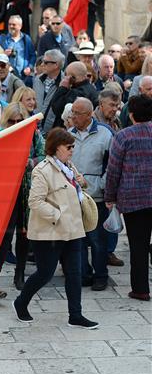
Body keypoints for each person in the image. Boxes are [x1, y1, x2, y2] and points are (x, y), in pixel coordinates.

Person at [14, 128, 99, 329]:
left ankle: (75, 315)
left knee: (74, 273)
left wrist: (82, 182)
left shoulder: (69, 166)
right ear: (56, 147)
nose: (72, 150)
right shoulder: (42, 170)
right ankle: (21, 302)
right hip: (49, 232)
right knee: (45, 273)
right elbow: (34, 201)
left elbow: (79, 189)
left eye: (73, 147)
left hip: (73, 230)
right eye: (69, 147)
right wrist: (58, 215)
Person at [104, 95, 152, 301]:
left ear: (131, 114)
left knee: (138, 246)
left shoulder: (123, 137)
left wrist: (110, 196)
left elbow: (113, 170)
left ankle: (140, 289)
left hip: (134, 200)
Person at [67, 97, 113, 291]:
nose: (73, 117)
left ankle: (101, 275)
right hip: (74, 197)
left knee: (97, 240)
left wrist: (101, 185)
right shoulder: (68, 135)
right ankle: (84, 274)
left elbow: (111, 164)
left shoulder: (105, 134)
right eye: (72, 113)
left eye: (76, 114)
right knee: (78, 240)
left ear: (88, 115)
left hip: (96, 197)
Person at [50, 62, 99, 128]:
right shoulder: (91, 88)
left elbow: (57, 108)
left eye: (66, 75)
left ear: (71, 77)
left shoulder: (77, 93)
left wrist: (62, 88)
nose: (65, 78)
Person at [0, 16, 36, 84]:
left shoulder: (26, 39)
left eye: (14, 24)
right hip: (6, 78)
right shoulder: (1, 39)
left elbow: (33, 55)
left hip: (23, 77)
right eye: (9, 24)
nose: (11, 26)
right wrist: (3, 54)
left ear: (20, 26)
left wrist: (29, 67)